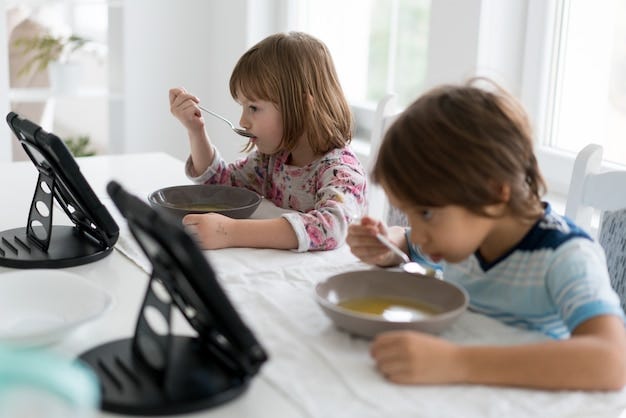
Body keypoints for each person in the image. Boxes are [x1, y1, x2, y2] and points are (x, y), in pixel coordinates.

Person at [346, 79, 626, 391]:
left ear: (494, 193)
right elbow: (410, 243)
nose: (420, 234)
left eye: (425, 213)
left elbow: (613, 362)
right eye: (408, 213)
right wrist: (389, 244)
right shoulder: (465, 238)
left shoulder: (566, 257)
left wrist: (456, 362)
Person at [169, 32, 366, 252]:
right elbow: (220, 185)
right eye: (243, 107)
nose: (243, 121)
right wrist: (196, 131)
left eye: (253, 108)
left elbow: (329, 228)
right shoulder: (272, 161)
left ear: (302, 107)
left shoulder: (341, 171)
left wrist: (230, 232)